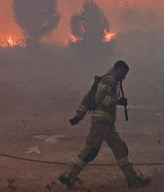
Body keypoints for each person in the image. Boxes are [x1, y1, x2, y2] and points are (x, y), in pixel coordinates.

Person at [58, 60, 150, 189]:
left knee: (120, 150)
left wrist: (80, 115)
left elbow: (90, 97)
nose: (124, 76)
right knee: (91, 150)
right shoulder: (109, 80)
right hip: (101, 122)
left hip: (108, 124)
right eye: (124, 73)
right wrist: (118, 101)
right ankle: (68, 176)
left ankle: (133, 179)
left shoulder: (110, 82)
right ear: (118, 69)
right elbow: (99, 98)